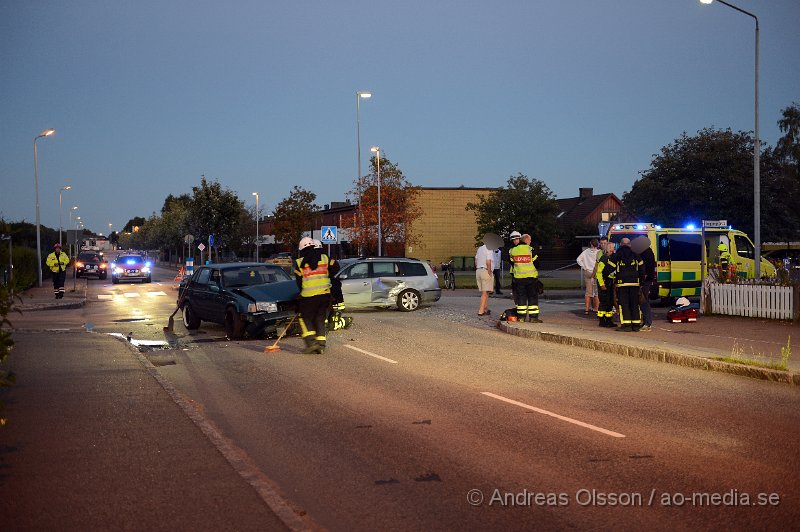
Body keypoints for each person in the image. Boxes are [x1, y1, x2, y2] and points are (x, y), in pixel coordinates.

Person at [293, 237, 339, 354]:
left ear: (301, 250)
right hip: (324, 295)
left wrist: (300, 295)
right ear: (313, 246)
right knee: (320, 318)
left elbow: (299, 283)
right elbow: (336, 267)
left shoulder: (299, 263)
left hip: (309, 296)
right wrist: (328, 276)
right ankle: (321, 345)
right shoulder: (324, 258)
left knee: (304, 318)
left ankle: (311, 342)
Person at [316, 239, 352, 332]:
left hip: (336, 306)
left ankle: (346, 321)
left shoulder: (332, 281)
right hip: (326, 304)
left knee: (331, 326)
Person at [612, 238, 645, 332]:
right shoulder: (636, 255)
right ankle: (636, 325)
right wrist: (641, 282)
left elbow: (608, 269)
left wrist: (612, 278)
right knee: (635, 304)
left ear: (621, 244)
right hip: (635, 283)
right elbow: (642, 269)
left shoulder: (617, 255)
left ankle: (626, 326)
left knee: (624, 304)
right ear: (630, 245)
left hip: (622, 284)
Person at [509, 232, 541, 323]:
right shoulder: (530, 249)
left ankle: (521, 317)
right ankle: (533, 318)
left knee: (521, 298)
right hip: (531, 278)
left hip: (518, 278)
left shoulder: (513, 250)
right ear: (526, 240)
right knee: (532, 297)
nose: (530, 242)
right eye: (530, 240)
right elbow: (537, 263)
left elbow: (511, 262)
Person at [595, 240, 616, 327]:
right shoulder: (603, 259)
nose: (613, 250)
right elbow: (599, 273)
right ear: (608, 249)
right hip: (604, 282)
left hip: (610, 282)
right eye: (612, 248)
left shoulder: (611, 258)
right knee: (604, 301)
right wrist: (602, 284)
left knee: (610, 302)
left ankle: (608, 320)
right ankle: (602, 321)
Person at [576, 239, 600, 315]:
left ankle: (586, 310)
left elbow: (578, 259)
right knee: (596, 292)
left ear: (591, 244)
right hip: (596, 272)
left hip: (587, 272)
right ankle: (596, 309)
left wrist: (584, 266)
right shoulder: (599, 252)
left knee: (588, 292)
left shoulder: (586, 252)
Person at [639, 243, 656, 331]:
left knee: (643, 301)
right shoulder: (648, 252)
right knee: (643, 301)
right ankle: (645, 322)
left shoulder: (645, 253)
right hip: (647, 280)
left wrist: (642, 281)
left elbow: (644, 268)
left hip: (644, 281)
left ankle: (647, 323)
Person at [475, 242, 494, 316]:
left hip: (479, 270)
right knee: (485, 293)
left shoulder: (480, 249)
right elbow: (488, 261)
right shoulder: (489, 249)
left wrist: (478, 268)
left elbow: (476, 260)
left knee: (486, 292)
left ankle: (485, 308)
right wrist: (489, 272)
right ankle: (481, 311)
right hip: (485, 270)